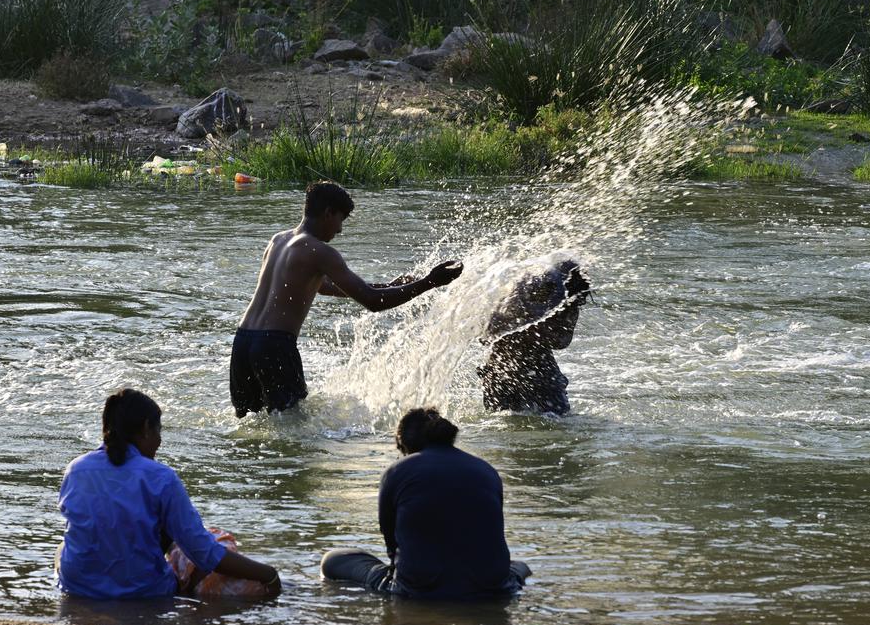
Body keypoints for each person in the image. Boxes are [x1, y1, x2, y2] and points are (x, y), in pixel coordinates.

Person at [230, 181, 464, 416]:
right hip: (274, 346)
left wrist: (391, 286)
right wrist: (429, 282)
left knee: (249, 423)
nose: (340, 230)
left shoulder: (278, 241)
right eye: (341, 219)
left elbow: (323, 287)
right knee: (291, 430)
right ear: (328, 213)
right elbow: (372, 301)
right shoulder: (319, 251)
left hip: (242, 342)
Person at [57, 388, 281, 600]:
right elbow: (205, 553)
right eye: (158, 431)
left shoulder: (76, 469)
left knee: (63, 548)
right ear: (146, 428)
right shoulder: (160, 477)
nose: (159, 442)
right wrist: (268, 574)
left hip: (78, 588)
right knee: (215, 539)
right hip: (143, 593)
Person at [320, 408, 531, 599]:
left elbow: (391, 541)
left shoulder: (398, 471)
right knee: (520, 566)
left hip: (420, 587)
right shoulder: (486, 470)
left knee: (333, 560)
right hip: (492, 584)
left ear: (405, 444)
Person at [479, 259, 591, 415]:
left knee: (558, 418)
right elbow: (486, 336)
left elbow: (562, 342)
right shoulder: (518, 297)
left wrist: (536, 332)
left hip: (540, 367)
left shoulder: (569, 308)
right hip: (502, 368)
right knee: (500, 419)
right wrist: (526, 330)